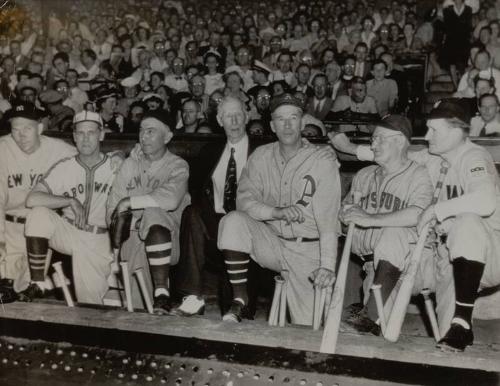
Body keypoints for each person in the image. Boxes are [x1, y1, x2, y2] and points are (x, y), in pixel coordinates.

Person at [330, 98, 500, 352]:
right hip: (445, 259)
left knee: (466, 223)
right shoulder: (432, 157)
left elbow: (485, 201)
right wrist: (349, 147)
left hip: (485, 253)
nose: (427, 135)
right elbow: (394, 152)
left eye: (434, 130)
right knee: (447, 345)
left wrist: (436, 209)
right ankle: (375, 318)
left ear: (455, 132)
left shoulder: (474, 157)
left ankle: (462, 322)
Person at [217, 93, 341, 325]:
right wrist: (274, 212)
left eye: (293, 118)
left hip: (308, 250)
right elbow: (243, 201)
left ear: (303, 122)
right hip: (272, 242)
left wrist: (326, 266)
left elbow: (328, 222)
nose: (287, 125)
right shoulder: (261, 156)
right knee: (232, 221)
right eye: (280, 119)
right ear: (272, 125)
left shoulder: (321, 160)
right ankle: (239, 298)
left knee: (308, 330)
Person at [338, 115, 433, 335]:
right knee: (370, 340)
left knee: (393, 233)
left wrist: (369, 219)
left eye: (380, 139)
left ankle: (369, 316)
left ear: (400, 141)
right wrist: (344, 219)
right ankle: (369, 319)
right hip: (373, 267)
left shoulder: (418, 174)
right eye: (372, 139)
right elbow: (345, 226)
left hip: (411, 265)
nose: (373, 144)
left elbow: (419, 214)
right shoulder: (363, 175)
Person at [19, 111, 117, 304]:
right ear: (74, 137)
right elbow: (32, 199)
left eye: (91, 132)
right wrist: (69, 200)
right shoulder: (65, 167)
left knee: (90, 307)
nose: (86, 138)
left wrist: (121, 155)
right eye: (80, 133)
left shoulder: (116, 166)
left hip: (98, 240)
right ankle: (37, 282)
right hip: (68, 231)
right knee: (39, 214)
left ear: (102, 134)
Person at [173, 96, 259, 316]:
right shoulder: (210, 152)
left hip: (250, 229)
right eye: (228, 116)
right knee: (192, 213)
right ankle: (192, 295)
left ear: (247, 117)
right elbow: (194, 190)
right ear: (219, 121)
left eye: (238, 114)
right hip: (215, 226)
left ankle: (238, 306)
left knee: (237, 313)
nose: (234, 120)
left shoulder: (262, 151)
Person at [106, 109, 190, 314]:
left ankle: (162, 291)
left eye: (151, 131)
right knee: (138, 313)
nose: (144, 136)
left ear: (168, 136)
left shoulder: (178, 165)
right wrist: (134, 221)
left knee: (153, 213)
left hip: (168, 244)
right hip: (132, 239)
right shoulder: (130, 163)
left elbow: (169, 199)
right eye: (142, 131)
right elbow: (111, 209)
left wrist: (130, 202)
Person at [0, 101, 75, 289]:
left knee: (29, 290)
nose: (21, 135)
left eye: (28, 128)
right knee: (8, 291)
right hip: (8, 228)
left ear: (40, 128)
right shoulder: (3, 149)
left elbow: (87, 157)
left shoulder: (58, 150)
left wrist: (116, 157)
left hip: (39, 231)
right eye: (15, 129)